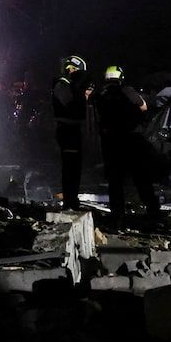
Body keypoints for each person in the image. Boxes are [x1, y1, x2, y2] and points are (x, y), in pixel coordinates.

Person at [95, 64, 157, 225]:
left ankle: (118, 214)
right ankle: (153, 210)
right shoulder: (127, 91)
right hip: (131, 141)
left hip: (111, 143)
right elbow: (143, 106)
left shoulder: (101, 94)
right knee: (141, 177)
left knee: (115, 181)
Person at [52, 55, 92, 210]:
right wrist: (81, 92)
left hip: (73, 130)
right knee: (70, 167)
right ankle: (70, 201)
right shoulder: (62, 85)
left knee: (75, 167)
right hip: (67, 130)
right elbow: (71, 105)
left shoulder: (71, 86)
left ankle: (72, 198)